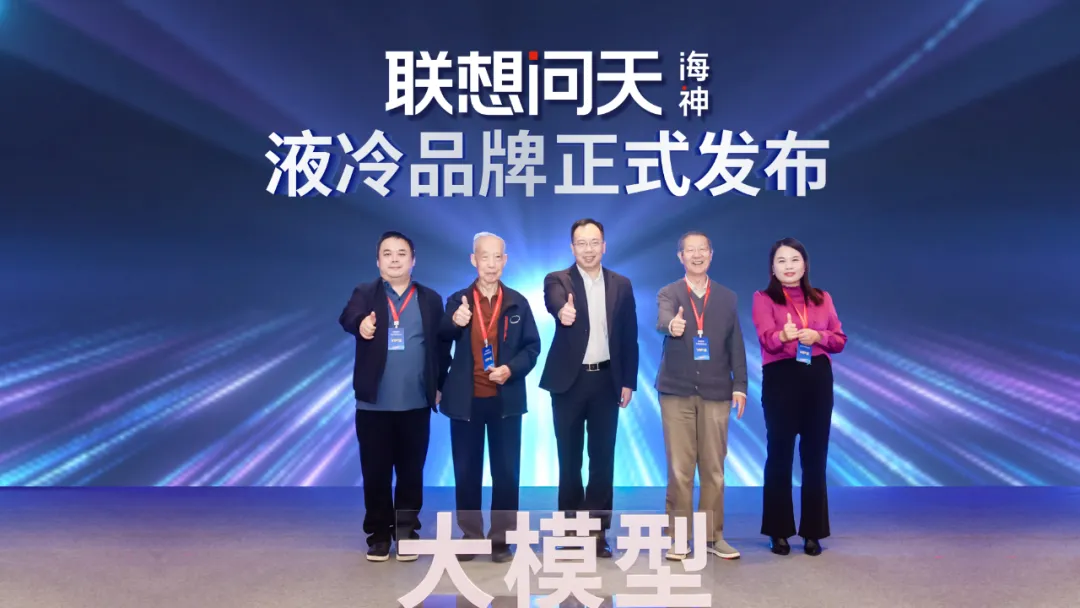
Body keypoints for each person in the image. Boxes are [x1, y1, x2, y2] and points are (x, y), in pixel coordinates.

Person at [338, 231, 450, 563]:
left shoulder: (430, 298)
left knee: (411, 472)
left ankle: (406, 532)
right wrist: (361, 324)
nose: (395, 259)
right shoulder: (365, 293)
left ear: (413, 260)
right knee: (375, 473)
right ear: (378, 261)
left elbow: (441, 345)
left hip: (416, 402)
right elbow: (347, 317)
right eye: (387, 253)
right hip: (374, 404)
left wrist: (439, 383)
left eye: (402, 253)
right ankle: (378, 536)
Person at [438, 232, 541, 563]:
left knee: (506, 473)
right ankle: (470, 536)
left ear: (505, 261)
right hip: (466, 401)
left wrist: (511, 369)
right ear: (474, 260)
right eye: (485, 257)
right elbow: (440, 338)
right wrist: (454, 323)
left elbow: (532, 347)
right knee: (466, 471)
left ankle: (501, 540)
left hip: (505, 400)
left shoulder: (517, 302)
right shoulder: (457, 301)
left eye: (498, 257)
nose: (491, 264)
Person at [539, 218, 639, 558]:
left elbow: (629, 335)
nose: (588, 249)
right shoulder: (558, 279)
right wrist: (562, 311)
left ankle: (596, 532)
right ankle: (570, 530)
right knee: (569, 460)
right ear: (572, 247)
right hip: (569, 382)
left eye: (594, 242)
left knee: (602, 460)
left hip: (606, 381)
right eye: (581, 243)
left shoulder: (621, 284)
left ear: (604, 246)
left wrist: (628, 381)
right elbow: (554, 301)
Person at [654, 231, 748, 561]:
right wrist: (672, 326)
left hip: (716, 392)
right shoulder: (669, 292)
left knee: (714, 469)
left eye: (702, 250)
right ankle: (678, 538)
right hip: (676, 392)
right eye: (689, 250)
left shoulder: (727, 297)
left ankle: (712, 536)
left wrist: (740, 385)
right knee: (680, 469)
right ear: (680, 257)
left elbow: (736, 344)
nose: (696, 255)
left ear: (711, 254)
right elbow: (663, 319)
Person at [751, 237, 848, 556]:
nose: (788, 266)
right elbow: (766, 339)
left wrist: (818, 335)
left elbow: (839, 340)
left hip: (817, 377)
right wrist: (784, 335)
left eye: (794, 260)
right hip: (781, 378)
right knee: (779, 454)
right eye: (781, 261)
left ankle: (813, 533)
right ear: (772, 267)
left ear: (805, 265)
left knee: (815, 455)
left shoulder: (823, 298)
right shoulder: (763, 298)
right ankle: (778, 531)